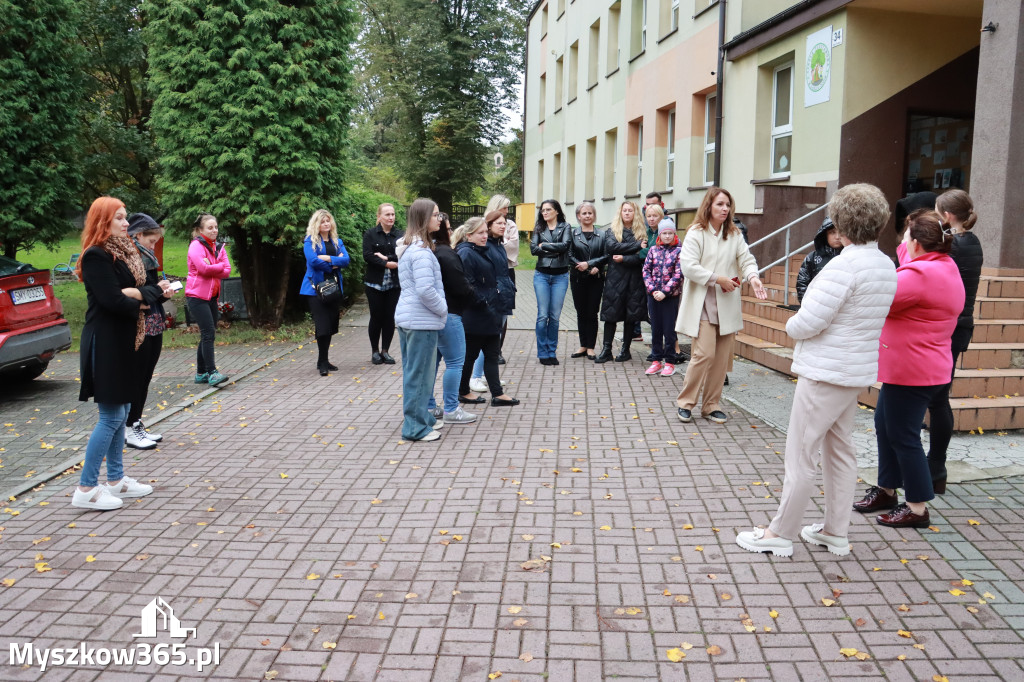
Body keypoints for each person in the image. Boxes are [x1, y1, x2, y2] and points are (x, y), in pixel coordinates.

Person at [734, 183, 897, 557]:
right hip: (852, 371)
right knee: (840, 451)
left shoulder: (844, 266)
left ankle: (780, 532)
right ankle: (834, 531)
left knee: (802, 454)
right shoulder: (885, 263)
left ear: (843, 221)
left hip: (826, 371)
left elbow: (808, 322)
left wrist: (791, 326)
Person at [853, 209, 964, 528]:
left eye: (905, 237)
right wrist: (912, 240)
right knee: (885, 424)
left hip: (913, 369)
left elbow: (879, 299)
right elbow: (907, 260)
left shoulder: (918, 277)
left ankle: (917, 508)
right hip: (918, 366)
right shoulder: (943, 265)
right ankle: (887, 490)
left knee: (903, 435)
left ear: (916, 243)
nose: (901, 242)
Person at [72, 197, 155, 510]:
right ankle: (85, 489)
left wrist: (141, 294)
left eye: (125, 217)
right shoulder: (96, 256)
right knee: (109, 417)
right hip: (104, 342)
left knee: (120, 414)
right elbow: (112, 301)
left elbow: (145, 288)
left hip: (122, 340)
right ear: (102, 221)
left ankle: (116, 480)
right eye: (119, 218)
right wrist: (143, 299)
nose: (125, 223)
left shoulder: (124, 253)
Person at [675, 187, 768, 424]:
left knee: (722, 359)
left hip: (726, 302)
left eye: (727, 204)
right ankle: (686, 403)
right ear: (709, 206)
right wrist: (719, 279)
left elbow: (746, 260)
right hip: (703, 301)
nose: (725, 208)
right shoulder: (696, 232)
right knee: (704, 353)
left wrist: (754, 277)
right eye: (719, 204)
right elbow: (688, 266)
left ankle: (711, 405)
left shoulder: (734, 234)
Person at [926, 189, 981, 494]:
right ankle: (936, 466)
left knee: (937, 399)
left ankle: (936, 467)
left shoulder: (954, 246)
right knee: (939, 396)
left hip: (948, 329)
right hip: (961, 329)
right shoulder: (972, 242)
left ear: (947, 216)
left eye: (936, 211)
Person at [395, 199, 447, 442]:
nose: (440, 219)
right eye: (436, 215)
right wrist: (443, 309)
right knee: (420, 376)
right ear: (424, 219)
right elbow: (426, 290)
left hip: (410, 319)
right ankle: (414, 428)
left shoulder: (410, 248)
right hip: (421, 321)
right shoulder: (421, 253)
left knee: (414, 373)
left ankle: (422, 419)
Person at [125, 213, 176, 449]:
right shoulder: (130, 258)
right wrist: (156, 290)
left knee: (146, 376)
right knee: (135, 376)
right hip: (140, 323)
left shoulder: (148, 257)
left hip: (154, 320)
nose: (153, 246)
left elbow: (151, 293)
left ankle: (136, 422)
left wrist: (163, 294)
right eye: (151, 241)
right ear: (138, 235)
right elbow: (136, 293)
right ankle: (129, 426)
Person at [455, 220, 520, 406]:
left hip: (490, 311)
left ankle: (498, 394)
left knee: (492, 353)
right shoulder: (467, 252)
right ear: (469, 235)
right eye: (479, 233)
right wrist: (483, 302)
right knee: (470, 355)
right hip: (476, 314)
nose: (484, 236)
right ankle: (463, 391)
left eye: (485, 232)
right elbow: (467, 284)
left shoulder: (482, 250)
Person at [427, 215, 477, 425]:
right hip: (451, 313)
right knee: (456, 362)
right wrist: (474, 296)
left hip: (434, 315)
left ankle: (430, 406)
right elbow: (460, 284)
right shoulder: (446, 253)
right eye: (448, 229)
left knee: (434, 362)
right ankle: (451, 408)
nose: (450, 232)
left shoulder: (429, 251)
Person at [595, 201, 649, 363]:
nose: (627, 213)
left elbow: (641, 256)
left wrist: (624, 257)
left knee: (630, 315)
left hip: (634, 278)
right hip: (615, 278)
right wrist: (636, 245)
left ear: (635, 213)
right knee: (611, 314)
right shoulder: (613, 230)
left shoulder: (642, 231)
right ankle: (606, 350)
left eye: (630, 210)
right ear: (620, 212)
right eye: (624, 210)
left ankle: (625, 351)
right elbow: (612, 248)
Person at [467, 211, 515, 392]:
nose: (503, 226)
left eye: (505, 223)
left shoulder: (499, 245)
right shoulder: (486, 246)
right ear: (488, 225)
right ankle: (475, 377)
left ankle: (488, 375)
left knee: (496, 338)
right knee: (486, 338)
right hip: (493, 298)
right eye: (499, 223)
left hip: (504, 296)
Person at [301, 209, 351, 376]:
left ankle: (324, 359)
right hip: (315, 289)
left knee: (330, 326)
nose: (326, 224)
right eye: (323, 221)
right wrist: (333, 264)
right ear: (317, 224)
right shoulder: (310, 241)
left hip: (333, 288)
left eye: (328, 221)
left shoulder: (337, 241)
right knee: (322, 325)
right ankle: (322, 362)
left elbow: (346, 260)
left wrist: (328, 258)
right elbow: (313, 260)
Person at [186, 213, 231, 386]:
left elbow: (227, 270)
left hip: (212, 296)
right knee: (208, 333)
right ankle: (212, 372)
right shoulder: (196, 246)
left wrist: (214, 266)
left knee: (208, 333)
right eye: (210, 227)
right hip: (196, 296)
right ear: (200, 230)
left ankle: (200, 373)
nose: (214, 230)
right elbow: (203, 269)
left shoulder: (219, 247)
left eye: (216, 227)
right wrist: (217, 266)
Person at [530, 199, 572, 365]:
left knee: (554, 317)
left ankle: (551, 351)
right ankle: (542, 352)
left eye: (548, 210)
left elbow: (566, 246)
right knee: (542, 315)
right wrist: (554, 249)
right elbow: (534, 250)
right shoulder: (539, 227)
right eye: (543, 210)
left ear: (556, 211)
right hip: (541, 275)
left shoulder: (565, 226)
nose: (544, 213)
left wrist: (545, 246)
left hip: (560, 276)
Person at [363, 203, 403, 365]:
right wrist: (386, 263)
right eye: (387, 214)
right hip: (374, 283)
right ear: (379, 216)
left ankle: (385, 350)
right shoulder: (370, 234)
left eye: (392, 214)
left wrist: (388, 258)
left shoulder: (400, 235)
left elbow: (403, 256)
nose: (391, 217)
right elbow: (368, 255)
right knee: (376, 316)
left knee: (389, 317)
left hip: (394, 283)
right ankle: (375, 351)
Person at [642, 219, 683, 377]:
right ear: (659, 234)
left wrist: (665, 292)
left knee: (669, 330)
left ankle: (670, 362)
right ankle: (656, 360)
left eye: (670, 233)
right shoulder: (653, 250)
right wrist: (653, 290)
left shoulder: (679, 251)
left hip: (669, 297)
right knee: (655, 329)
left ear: (674, 234)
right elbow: (646, 271)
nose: (667, 236)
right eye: (664, 233)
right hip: (653, 296)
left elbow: (679, 274)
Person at [568, 201, 608, 360]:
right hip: (577, 278)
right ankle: (582, 345)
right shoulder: (572, 234)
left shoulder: (603, 234)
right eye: (584, 213)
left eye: (590, 213)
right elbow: (568, 254)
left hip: (596, 278)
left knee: (592, 312)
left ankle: (591, 347)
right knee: (581, 312)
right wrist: (582, 266)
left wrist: (593, 265)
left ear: (594, 215)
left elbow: (607, 255)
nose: (587, 216)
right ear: (578, 216)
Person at [485, 194, 520, 364]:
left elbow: (512, 246)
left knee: (504, 312)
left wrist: (499, 245)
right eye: (504, 208)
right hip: (488, 274)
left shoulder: (511, 224)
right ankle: (487, 350)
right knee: (489, 312)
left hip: (506, 272)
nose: (507, 212)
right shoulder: (482, 222)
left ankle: (498, 350)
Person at [795, 217, 843, 303]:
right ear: (825, 235)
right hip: (817, 307)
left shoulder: (851, 256)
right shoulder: (812, 258)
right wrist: (808, 306)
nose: (837, 237)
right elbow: (802, 284)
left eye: (841, 232)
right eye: (832, 232)